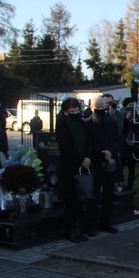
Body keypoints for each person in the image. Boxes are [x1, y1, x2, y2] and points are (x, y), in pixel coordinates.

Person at [56, 97, 93, 243]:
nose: (75, 113)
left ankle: (79, 229)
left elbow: (89, 142)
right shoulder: (62, 124)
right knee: (70, 201)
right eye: (71, 111)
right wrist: (81, 158)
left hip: (83, 165)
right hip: (69, 166)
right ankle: (71, 230)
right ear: (65, 112)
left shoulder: (81, 123)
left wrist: (88, 157)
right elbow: (65, 146)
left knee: (80, 200)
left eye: (77, 110)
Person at [84, 95, 123, 235]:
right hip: (96, 163)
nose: (101, 109)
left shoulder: (112, 122)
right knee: (93, 197)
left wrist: (110, 152)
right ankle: (91, 225)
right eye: (98, 107)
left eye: (103, 107)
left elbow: (119, 140)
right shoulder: (87, 124)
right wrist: (102, 153)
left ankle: (106, 222)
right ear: (92, 108)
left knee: (109, 196)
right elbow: (88, 144)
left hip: (110, 162)